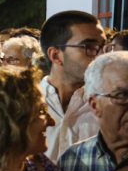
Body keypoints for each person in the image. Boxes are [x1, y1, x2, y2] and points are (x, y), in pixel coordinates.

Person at [41, 10, 104, 160]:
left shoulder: (110, 105)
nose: (101, 55)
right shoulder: (23, 104)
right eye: (89, 47)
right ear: (56, 55)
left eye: (104, 47)